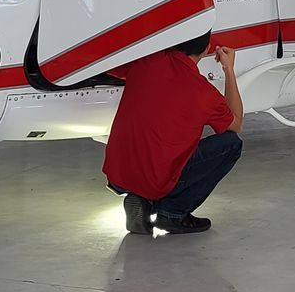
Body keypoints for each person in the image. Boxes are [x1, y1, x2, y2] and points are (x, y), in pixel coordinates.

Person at [104, 34, 244, 236]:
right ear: (207, 49)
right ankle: (172, 213)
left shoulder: (147, 60)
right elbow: (236, 124)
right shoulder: (203, 92)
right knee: (231, 144)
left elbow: (111, 66)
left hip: (118, 174)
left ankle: (143, 200)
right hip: (154, 179)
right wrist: (229, 69)